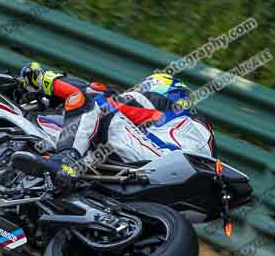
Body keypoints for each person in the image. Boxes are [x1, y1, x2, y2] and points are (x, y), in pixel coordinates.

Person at [11, 62, 216, 191]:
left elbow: (103, 98)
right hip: (174, 175)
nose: (138, 91)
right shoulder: (190, 127)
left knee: (94, 102)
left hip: (160, 158)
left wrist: (47, 79)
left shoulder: (168, 105)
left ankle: (64, 160)